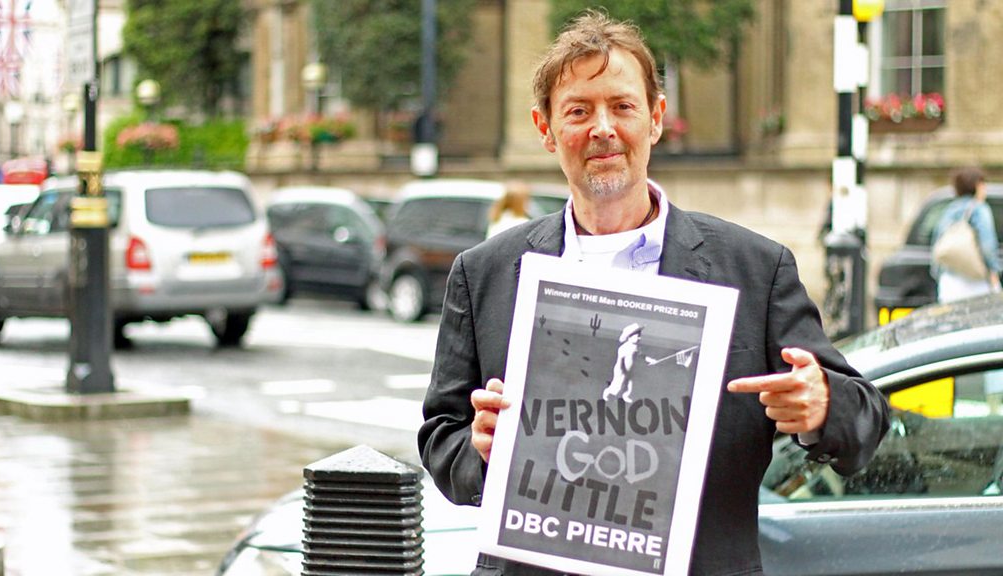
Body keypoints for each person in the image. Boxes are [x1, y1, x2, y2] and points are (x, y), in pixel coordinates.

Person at [418, 11, 888, 576]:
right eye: (578, 111)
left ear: (656, 118)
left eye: (622, 106)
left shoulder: (754, 270)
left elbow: (866, 423)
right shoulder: (486, 274)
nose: (603, 128)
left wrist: (821, 405)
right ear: (545, 129)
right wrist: (480, 447)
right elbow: (440, 438)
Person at [932, 166, 1002, 302]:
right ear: (977, 186)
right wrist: (993, 270)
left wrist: (938, 273)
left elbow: (937, 243)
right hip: (975, 282)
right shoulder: (980, 209)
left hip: (949, 280)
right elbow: (987, 245)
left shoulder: (949, 209)